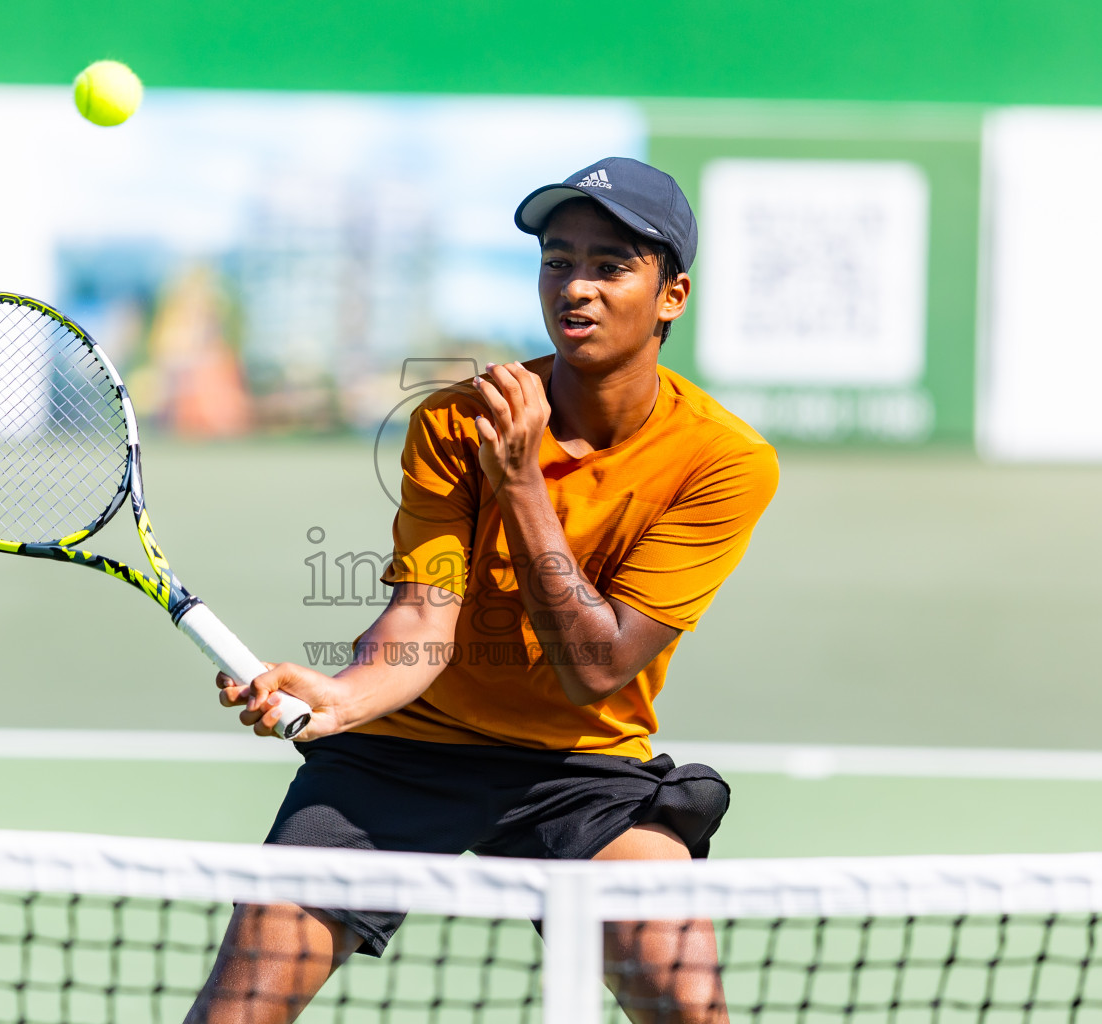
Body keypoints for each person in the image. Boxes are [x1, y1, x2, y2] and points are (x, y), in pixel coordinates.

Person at [188, 157, 779, 1024]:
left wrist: (523, 486)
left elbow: (599, 667)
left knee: (688, 1002)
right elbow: (426, 615)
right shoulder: (456, 420)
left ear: (672, 295)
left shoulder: (724, 462)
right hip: (403, 751)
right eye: (557, 259)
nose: (576, 286)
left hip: (579, 764)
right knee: (238, 1010)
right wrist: (346, 698)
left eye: (611, 264)